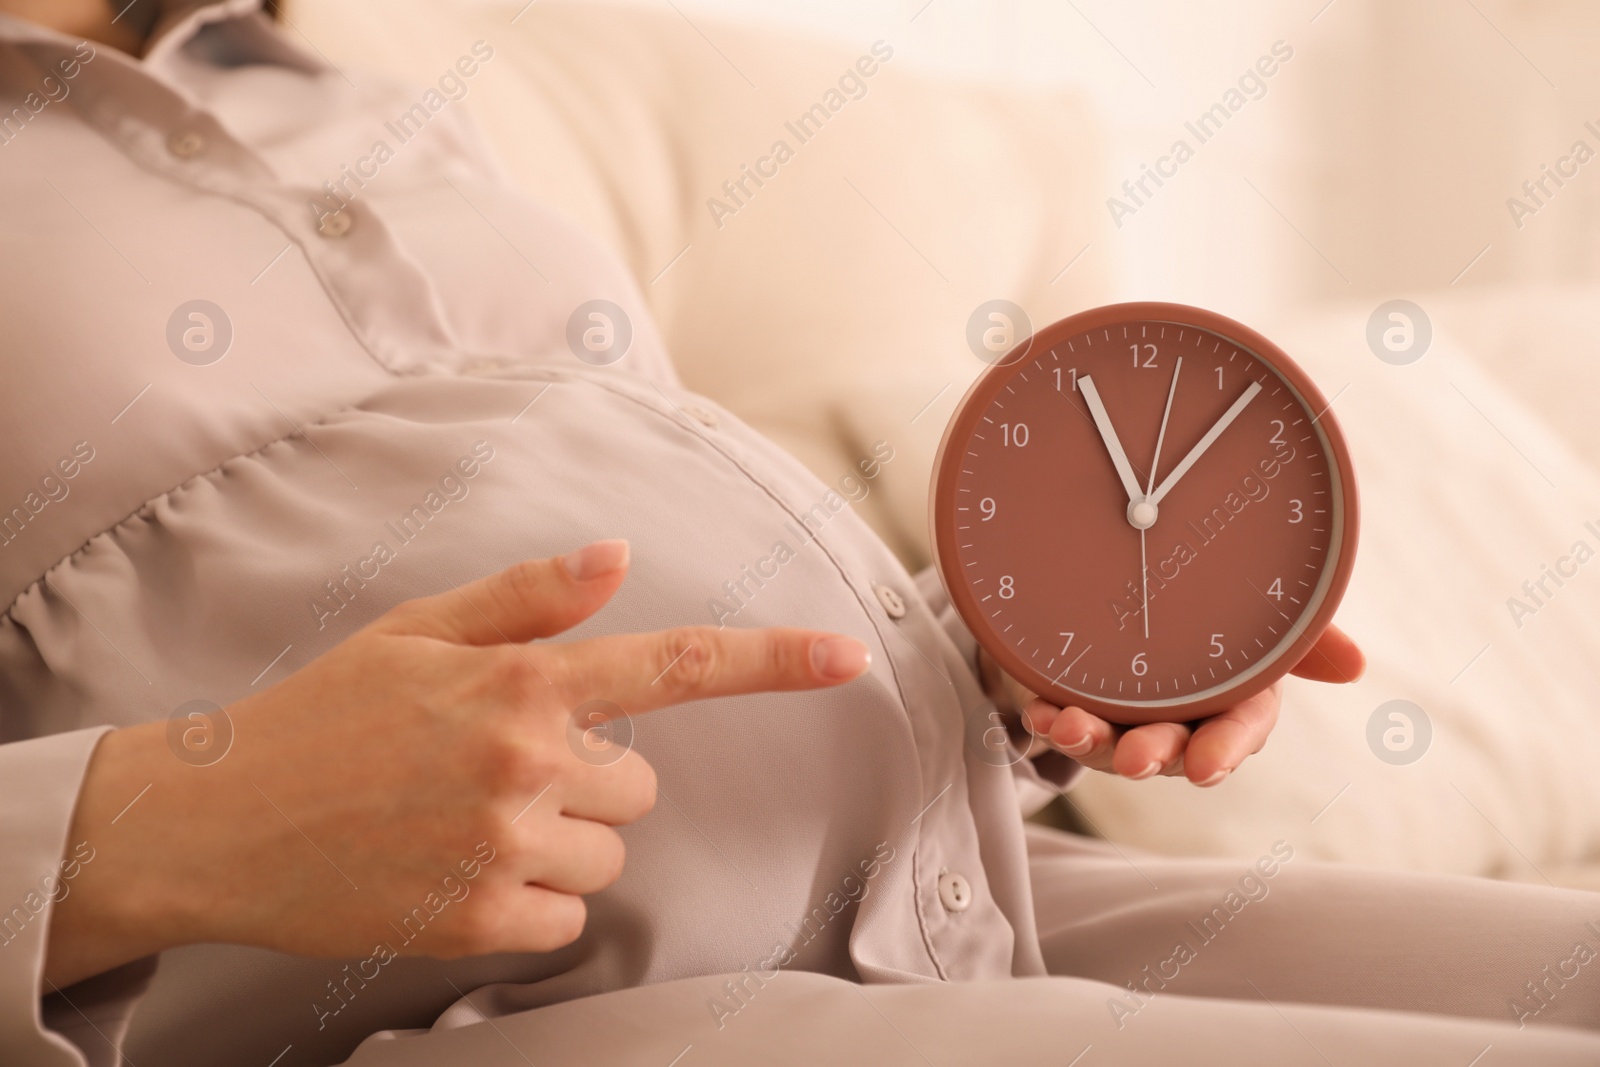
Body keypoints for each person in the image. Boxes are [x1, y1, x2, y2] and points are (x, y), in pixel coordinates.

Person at [0, 2, 1595, 1064]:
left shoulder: (341, 93)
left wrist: (1019, 659)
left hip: (969, 877)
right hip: (524, 1002)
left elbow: (616, 553)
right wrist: (156, 824)